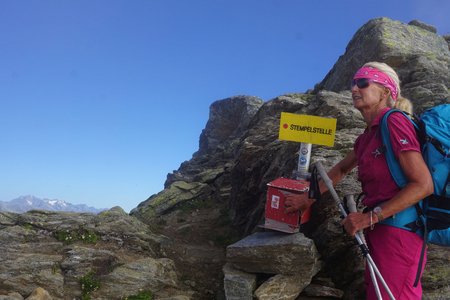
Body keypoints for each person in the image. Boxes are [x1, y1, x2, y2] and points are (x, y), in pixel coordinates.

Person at [285, 61, 434, 299]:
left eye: (363, 83)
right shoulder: (366, 136)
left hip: (400, 233)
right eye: (353, 83)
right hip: (380, 231)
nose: (355, 88)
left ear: (385, 91)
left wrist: (368, 217)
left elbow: (423, 184)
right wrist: (309, 199)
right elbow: (341, 169)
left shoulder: (394, 121)